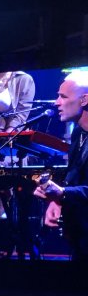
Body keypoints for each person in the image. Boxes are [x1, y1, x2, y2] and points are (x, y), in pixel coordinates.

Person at [33, 68, 88, 262]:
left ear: (84, 100)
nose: (56, 102)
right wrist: (56, 199)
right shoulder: (78, 133)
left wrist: (63, 193)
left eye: (63, 97)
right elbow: (74, 177)